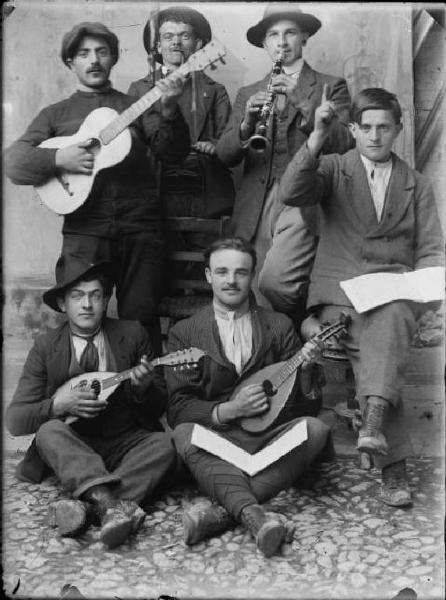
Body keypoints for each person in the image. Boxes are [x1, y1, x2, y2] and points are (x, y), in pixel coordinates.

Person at [277, 87, 445, 507]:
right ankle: (390, 461)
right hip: (341, 297)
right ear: (352, 129)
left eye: (383, 128)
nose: (374, 136)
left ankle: (373, 426)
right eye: (365, 127)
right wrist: (315, 136)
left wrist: (426, 300)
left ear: (398, 130)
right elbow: (292, 192)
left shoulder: (416, 184)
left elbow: (430, 250)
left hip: (393, 293)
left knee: (389, 320)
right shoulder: (334, 168)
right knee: (383, 336)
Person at [4, 21, 190, 354]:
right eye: (84, 53)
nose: (94, 60)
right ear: (70, 62)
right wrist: (59, 159)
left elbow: (172, 153)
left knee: (141, 316)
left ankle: (143, 397)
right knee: (83, 317)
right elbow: (13, 162)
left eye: (102, 52)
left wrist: (171, 109)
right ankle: (82, 389)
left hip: (141, 229)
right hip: (85, 230)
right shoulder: (56, 113)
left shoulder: (134, 105)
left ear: (113, 59)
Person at [165, 237, 334, 557]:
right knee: (183, 433)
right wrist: (229, 409)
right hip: (218, 438)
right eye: (222, 271)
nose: (231, 280)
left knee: (317, 428)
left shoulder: (279, 325)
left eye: (241, 272)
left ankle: (228, 512)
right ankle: (254, 515)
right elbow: (178, 408)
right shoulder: (184, 333)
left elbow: (303, 405)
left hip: (266, 436)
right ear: (208, 276)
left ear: (252, 276)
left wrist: (308, 371)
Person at [5, 258, 179, 549]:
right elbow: (15, 419)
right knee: (49, 433)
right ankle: (112, 506)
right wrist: (57, 406)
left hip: (124, 441)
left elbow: (158, 406)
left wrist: (142, 388)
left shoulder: (133, 334)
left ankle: (93, 507)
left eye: (95, 295)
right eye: (77, 296)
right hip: (75, 444)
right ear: (63, 304)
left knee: (165, 445)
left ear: (106, 299)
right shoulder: (47, 347)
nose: (87, 304)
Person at [216, 4, 353, 324]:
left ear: (304, 36)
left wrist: (302, 102)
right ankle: (285, 361)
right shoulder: (249, 92)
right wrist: (247, 124)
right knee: (257, 295)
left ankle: (300, 329)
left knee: (276, 284)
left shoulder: (330, 86)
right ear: (264, 44)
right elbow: (224, 155)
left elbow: (345, 144)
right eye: (273, 35)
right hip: (256, 205)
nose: (282, 41)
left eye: (290, 32)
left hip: (306, 200)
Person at [128, 6, 234, 254]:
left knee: (205, 258)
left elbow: (228, 140)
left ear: (198, 44)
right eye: (168, 36)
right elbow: (132, 142)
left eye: (185, 36)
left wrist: (216, 145)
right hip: (155, 186)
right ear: (156, 47)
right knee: (155, 262)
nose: (176, 42)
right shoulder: (138, 90)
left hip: (203, 186)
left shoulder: (215, 90)